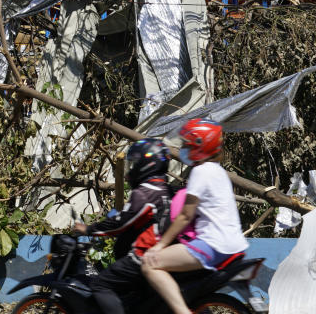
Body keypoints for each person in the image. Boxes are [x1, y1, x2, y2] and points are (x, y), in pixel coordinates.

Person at [141, 118, 248, 314]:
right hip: (235, 246)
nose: (183, 147)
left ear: (199, 144)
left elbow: (185, 215)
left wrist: (160, 245)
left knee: (150, 264)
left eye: (187, 143)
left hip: (213, 245)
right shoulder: (219, 172)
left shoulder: (200, 172)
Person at [74, 138, 173, 314]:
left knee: (100, 283)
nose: (130, 171)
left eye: (135, 163)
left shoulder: (145, 193)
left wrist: (89, 229)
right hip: (164, 252)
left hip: (144, 254)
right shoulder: (168, 190)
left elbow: (120, 224)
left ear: (146, 164)